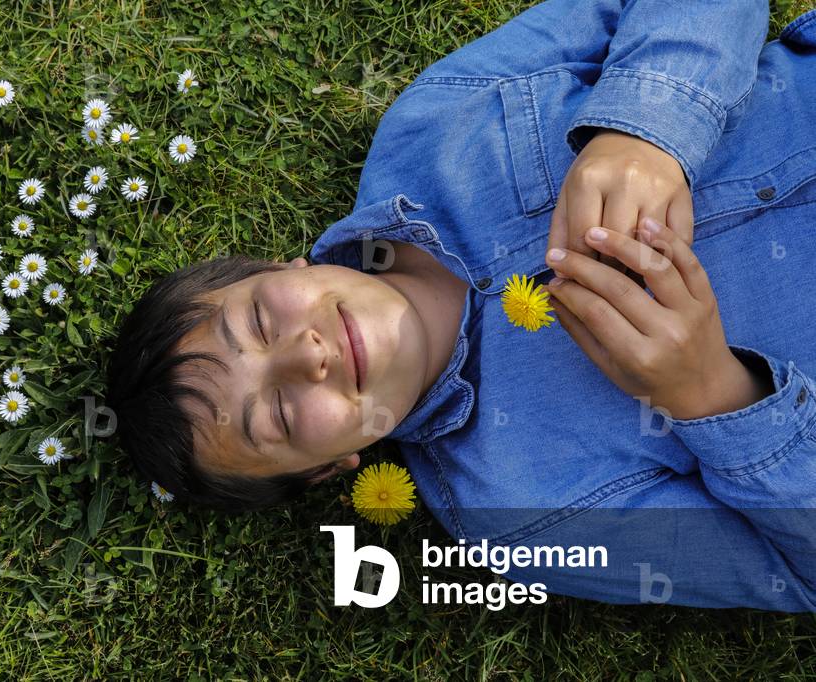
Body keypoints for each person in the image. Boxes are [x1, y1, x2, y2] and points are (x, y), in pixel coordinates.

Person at [106, 0, 816, 611]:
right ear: (331, 467)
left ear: (276, 267)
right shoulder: (522, 517)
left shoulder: (434, 127)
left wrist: (644, 132)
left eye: (261, 320)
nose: (304, 354)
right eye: (282, 416)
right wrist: (710, 392)